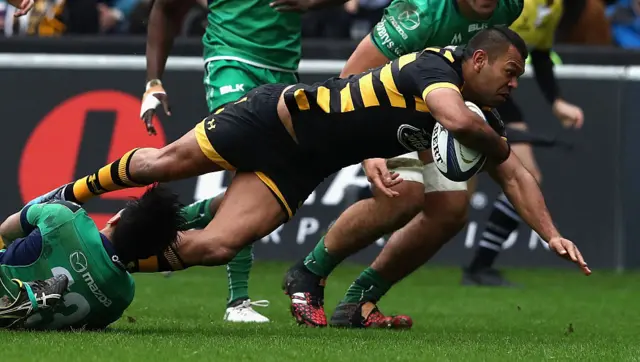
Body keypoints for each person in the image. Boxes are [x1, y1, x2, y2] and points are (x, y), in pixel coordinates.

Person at [27, 29, 590, 324]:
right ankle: (63, 197)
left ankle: (98, 258)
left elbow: (514, 175)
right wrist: (495, 140)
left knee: (219, 245)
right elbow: (453, 119)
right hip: (273, 120)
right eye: (511, 73)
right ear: (477, 61)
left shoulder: (478, 114)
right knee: (159, 164)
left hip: (301, 166)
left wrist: (550, 232)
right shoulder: (435, 70)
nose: (516, 84)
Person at [283, 0, 526, 328]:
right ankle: (309, 273)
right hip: (387, 108)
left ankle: (360, 301)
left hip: (438, 112)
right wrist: (370, 149)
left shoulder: (509, 7)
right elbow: (352, 74)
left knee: (451, 211)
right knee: (404, 195)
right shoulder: (420, 13)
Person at [139, 0, 348, 323]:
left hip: (282, 69)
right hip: (231, 60)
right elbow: (165, 8)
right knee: (250, 161)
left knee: (268, 186)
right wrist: (153, 82)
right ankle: (237, 301)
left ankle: (168, 223)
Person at [463, 0, 585, 286]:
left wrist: (556, 102)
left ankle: (480, 266)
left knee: (528, 177)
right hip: (466, 92)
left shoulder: (553, 8)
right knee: (453, 197)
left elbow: (541, 55)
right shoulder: (514, 5)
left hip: (499, 100)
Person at [0, 186, 184, 330]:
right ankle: (20, 302)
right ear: (146, 254)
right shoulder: (123, 295)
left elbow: (6, 232)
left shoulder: (65, 216)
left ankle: (17, 299)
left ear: (116, 219)